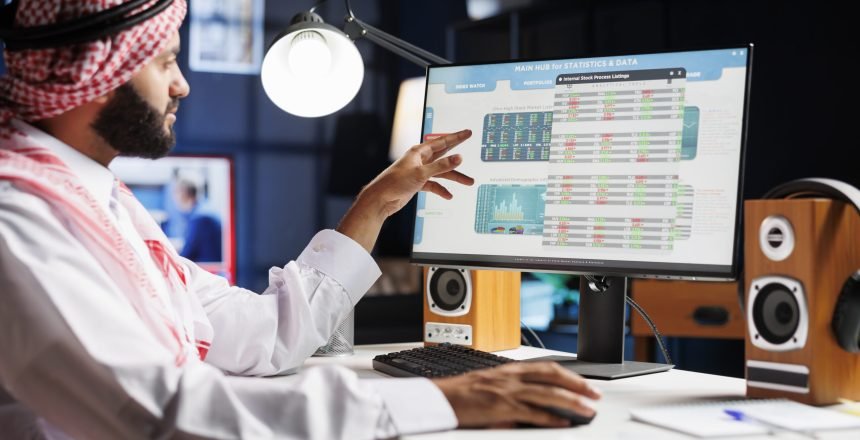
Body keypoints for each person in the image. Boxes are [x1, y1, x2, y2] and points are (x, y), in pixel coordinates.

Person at [0, 1, 601, 439]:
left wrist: (373, 206)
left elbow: (258, 333)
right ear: (93, 76)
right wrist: (440, 401)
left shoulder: (98, 205)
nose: (181, 85)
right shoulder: (18, 220)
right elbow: (159, 415)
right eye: (164, 63)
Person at [173, 179, 222, 262]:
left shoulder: (200, 219)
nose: (174, 199)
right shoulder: (204, 210)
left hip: (206, 269)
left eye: (175, 193)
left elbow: (186, 256)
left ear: (183, 193)